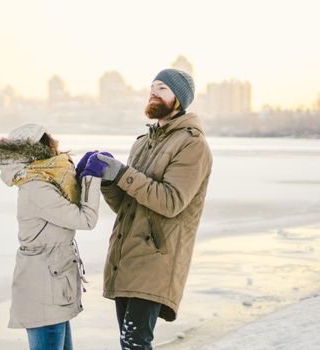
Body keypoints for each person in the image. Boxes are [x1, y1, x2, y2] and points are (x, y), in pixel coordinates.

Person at [79, 68, 213, 349]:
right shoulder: (142, 143)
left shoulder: (192, 144)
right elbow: (128, 207)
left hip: (156, 259)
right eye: (152, 87)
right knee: (129, 343)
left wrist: (121, 174)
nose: (153, 92)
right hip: (126, 257)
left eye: (162, 88)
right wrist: (108, 180)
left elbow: (170, 201)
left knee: (135, 342)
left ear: (179, 98)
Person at [0, 123, 107, 350]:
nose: (57, 146)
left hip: (51, 282)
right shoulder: (37, 187)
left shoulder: (45, 179)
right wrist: (91, 178)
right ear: (41, 148)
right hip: (45, 288)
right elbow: (86, 220)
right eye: (52, 141)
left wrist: (81, 175)